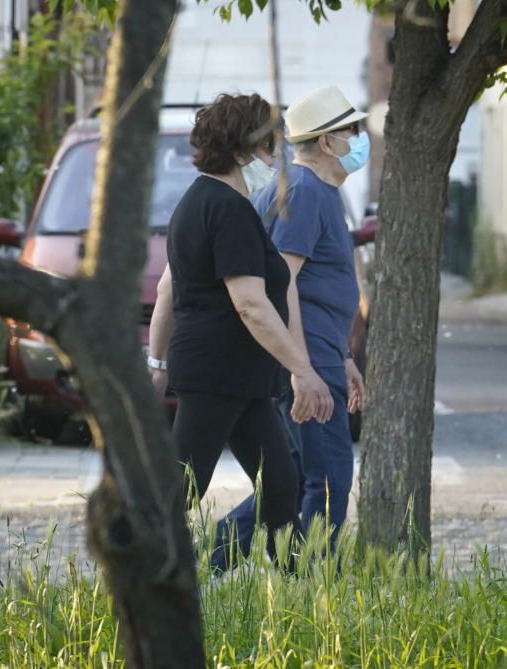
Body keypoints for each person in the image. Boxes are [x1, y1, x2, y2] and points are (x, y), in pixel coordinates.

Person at [146, 93, 333, 568]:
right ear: (241, 149)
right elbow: (250, 303)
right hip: (217, 374)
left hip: (239, 378)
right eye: (270, 149)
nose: (277, 159)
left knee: (281, 481)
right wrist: (303, 370)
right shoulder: (226, 209)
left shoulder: (198, 203)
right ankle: (140, 580)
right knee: (182, 483)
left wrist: (158, 362)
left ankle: (296, 589)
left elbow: (169, 289)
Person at [212, 85, 368, 562]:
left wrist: (341, 356)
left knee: (295, 477)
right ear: (326, 142)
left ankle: (207, 561)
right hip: (306, 361)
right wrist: (305, 369)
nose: (360, 140)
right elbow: (284, 286)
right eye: (352, 131)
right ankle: (311, 591)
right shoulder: (302, 192)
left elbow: (317, 285)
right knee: (328, 479)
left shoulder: (314, 192)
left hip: (321, 355)